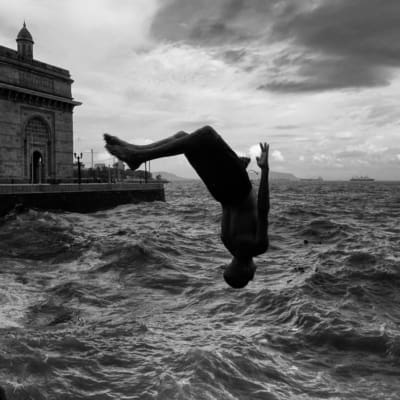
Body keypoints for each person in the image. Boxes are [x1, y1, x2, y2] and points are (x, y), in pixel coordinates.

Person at [104, 125, 269, 288]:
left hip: (237, 188)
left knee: (206, 135)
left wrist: (265, 170)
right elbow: (234, 209)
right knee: (184, 138)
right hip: (221, 192)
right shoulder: (228, 242)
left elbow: (262, 209)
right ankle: (137, 151)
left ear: (247, 272)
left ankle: (138, 156)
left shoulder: (258, 247)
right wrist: (234, 169)